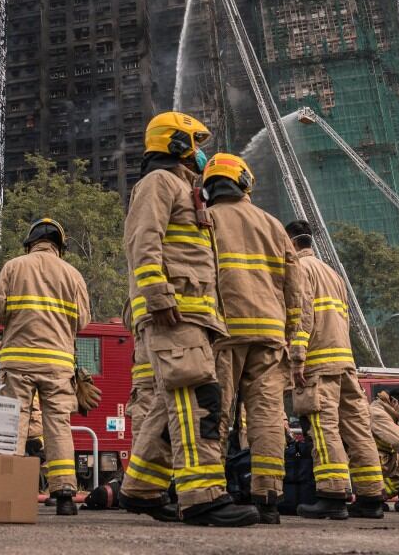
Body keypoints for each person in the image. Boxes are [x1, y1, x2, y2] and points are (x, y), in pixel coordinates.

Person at [119, 112, 259, 527]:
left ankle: (141, 489)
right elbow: (143, 242)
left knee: (169, 403)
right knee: (198, 400)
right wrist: (159, 295)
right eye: (194, 144)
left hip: (192, 312)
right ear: (176, 143)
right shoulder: (158, 183)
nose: (200, 154)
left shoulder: (182, 188)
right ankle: (203, 497)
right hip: (174, 311)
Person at [201, 153, 298, 524]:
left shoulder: (204, 220)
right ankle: (268, 498)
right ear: (245, 181)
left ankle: (212, 493)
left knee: (216, 413)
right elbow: (296, 290)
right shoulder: (274, 226)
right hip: (270, 335)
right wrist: (293, 338)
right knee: (268, 417)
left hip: (224, 333)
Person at [0, 219, 91, 516]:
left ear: (29, 242)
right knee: (58, 425)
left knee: (14, 422)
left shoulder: (13, 266)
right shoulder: (73, 274)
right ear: (61, 245)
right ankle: (65, 495)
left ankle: (10, 491)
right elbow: (82, 321)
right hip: (58, 363)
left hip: (18, 360)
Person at [285, 220, 385, 520]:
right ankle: (371, 497)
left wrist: (298, 356)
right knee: (357, 429)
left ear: (290, 243)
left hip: (318, 363)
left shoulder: (300, 270)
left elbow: (302, 313)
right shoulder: (332, 273)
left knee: (322, 426)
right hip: (345, 363)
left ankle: (332, 494)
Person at [120, 298, 177, 522]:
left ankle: (143, 487)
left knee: (145, 428)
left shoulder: (145, 279)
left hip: (146, 371)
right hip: (176, 362)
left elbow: (128, 319)